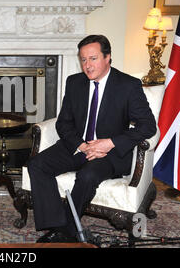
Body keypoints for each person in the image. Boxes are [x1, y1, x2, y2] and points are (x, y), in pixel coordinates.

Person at [27, 34, 157, 243]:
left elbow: (148, 126)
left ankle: (67, 231)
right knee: (37, 164)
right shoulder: (74, 83)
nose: (87, 65)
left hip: (110, 153)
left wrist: (110, 143)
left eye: (93, 58)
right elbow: (63, 123)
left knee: (87, 176)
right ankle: (57, 226)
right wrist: (80, 145)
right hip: (78, 146)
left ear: (108, 58)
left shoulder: (127, 86)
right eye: (83, 59)